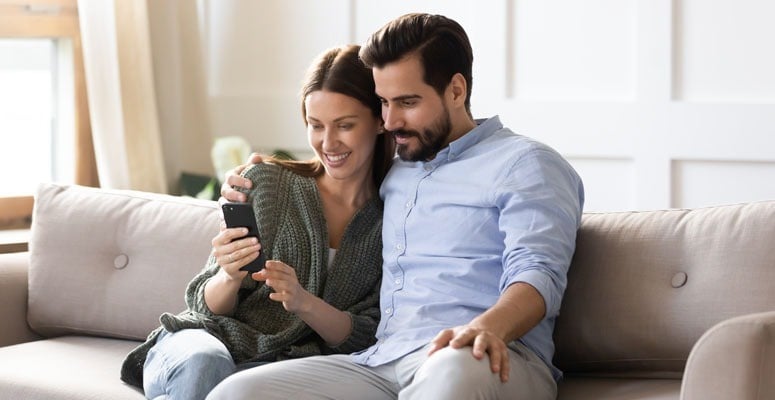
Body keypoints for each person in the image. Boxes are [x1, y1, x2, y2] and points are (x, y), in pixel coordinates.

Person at [211, 13, 584, 400]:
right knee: (237, 393)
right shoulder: (400, 170)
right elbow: (334, 166)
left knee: (451, 370)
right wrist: (257, 178)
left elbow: (539, 272)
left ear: (456, 91)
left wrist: (488, 327)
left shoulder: (526, 163)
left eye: (407, 102)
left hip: (487, 355)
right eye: (384, 103)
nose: (390, 121)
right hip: (383, 361)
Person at [119, 44, 395, 400]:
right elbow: (204, 305)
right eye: (315, 126)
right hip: (199, 346)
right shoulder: (266, 184)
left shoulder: (392, 220)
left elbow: (366, 335)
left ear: (378, 121)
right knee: (207, 366)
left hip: (277, 368)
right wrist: (229, 276)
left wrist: (303, 301)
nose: (328, 143)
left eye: (345, 126)